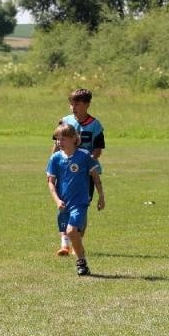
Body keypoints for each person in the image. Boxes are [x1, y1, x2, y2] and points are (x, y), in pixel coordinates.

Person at [47, 122, 104, 276]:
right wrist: (57, 200)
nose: (59, 142)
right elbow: (51, 183)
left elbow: (96, 177)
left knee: (72, 231)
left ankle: (80, 261)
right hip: (64, 203)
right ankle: (82, 260)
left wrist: (101, 197)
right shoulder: (55, 158)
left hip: (80, 202)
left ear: (74, 138)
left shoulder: (84, 156)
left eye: (63, 139)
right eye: (57, 139)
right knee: (69, 232)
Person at [55, 88, 106, 257]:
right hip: (66, 171)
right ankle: (65, 244)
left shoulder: (95, 125)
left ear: (87, 105)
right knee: (63, 204)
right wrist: (54, 161)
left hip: (85, 174)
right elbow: (57, 144)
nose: (73, 107)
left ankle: (76, 239)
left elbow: (98, 150)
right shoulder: (65, 121)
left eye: (77, 103)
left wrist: (85, 163)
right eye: (71, 103)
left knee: (82, 206)